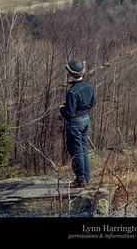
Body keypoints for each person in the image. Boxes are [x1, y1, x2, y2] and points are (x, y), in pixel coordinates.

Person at [59, 59, 95, 188]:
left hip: (76, 123)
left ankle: (80, 179)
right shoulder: (88, 86)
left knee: (76, 150)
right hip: (86, 119)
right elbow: (91, 103)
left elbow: (69, 113)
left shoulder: (72, 91)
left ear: (70, 74)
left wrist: (62, 109)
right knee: (83, 148)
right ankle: (86, 177)